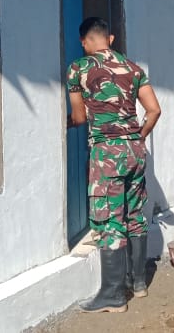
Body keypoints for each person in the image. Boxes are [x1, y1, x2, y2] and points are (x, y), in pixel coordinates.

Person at [67, 17, 162, 313]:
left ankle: (113, 295)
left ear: (84, 42)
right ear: (110, 39)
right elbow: (154, 110)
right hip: (135, 151)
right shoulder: (133, 69)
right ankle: (138, 282)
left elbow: (79, 118)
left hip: (107, 154)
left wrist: (65, 123)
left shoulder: (79, 68)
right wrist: (137, 136)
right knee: (134, 216)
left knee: (109, 221)